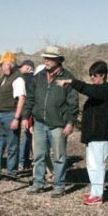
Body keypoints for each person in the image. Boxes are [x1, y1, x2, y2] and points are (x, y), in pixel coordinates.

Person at [22, 46, 79, 198]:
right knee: (39, 155)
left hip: (58, 124)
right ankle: (38, 183)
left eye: (49, 58)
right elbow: (30, 98)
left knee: (59, 157)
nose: (46, 60)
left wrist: (70, 122)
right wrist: (25, 117)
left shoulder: (67, 77)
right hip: (39, 122)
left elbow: (73, 103)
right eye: (45, 58)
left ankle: (59, 186)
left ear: (58, 60)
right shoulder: (39, 76)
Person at [56, 60, 108, 205]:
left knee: (97, 165)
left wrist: (72, 82)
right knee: (92, 164)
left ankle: (97, 195)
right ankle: (95, 192)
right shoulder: (98, 90)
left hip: (100, 135)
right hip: (93, 135)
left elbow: (88, 89)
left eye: (95, 76)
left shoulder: (105, 89)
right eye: (91, 76)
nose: (92, 78)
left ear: (103, 75)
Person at [0, 52, 26, 179]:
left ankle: (12, 172)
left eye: (2, 64)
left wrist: (16, 118)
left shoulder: (18, 78)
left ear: (9, 65)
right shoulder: (3, 78)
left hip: (10, 114)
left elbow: (21, 98)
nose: (1, 67)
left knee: (12, 145)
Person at [18, 59, 35, 171]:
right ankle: (33, 160)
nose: (20, 69)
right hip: (33, 112)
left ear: (28, 67)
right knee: (33, 137)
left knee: (25, 137)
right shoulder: (38, 79)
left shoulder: (23, 78)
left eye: (22, 66)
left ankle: (22, 162)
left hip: (25, 111)